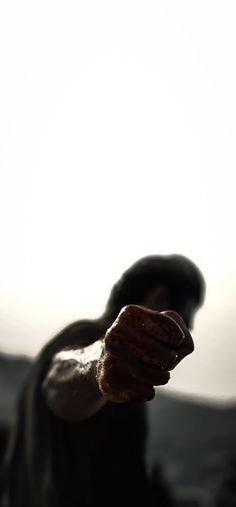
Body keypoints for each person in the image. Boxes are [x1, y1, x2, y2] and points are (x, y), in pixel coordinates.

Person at [1, 254, 205, 507]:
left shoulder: (58, 349)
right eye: (188, 313)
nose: (191, 326)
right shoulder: (91, 339)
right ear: (160, 299)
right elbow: (59, 380)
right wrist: (99, 361)